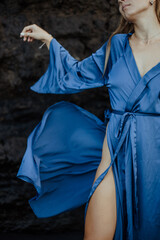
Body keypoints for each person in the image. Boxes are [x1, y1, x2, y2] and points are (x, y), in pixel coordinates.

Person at [17, 0, 160, 239]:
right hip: (113, 157)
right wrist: (49, 40)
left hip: (154, 156)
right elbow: (75, 74)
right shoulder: (116, 46)